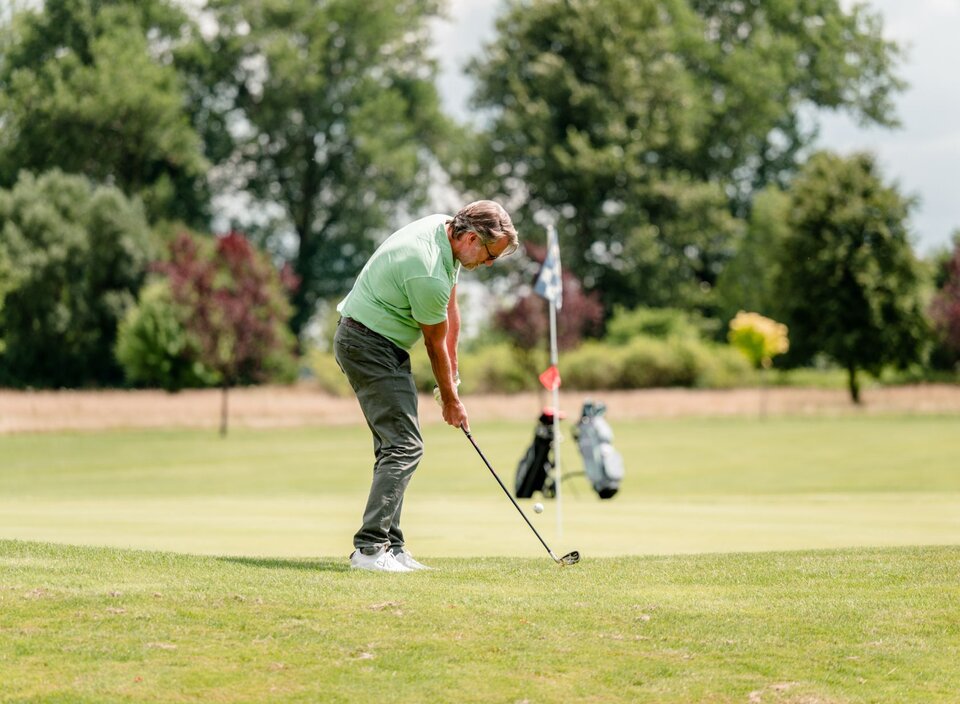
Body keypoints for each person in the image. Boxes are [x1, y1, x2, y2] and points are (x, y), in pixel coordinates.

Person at [334, 200, 519, 573]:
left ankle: (392, 547)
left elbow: (450, 315)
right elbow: (434, 343)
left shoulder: (443, 230)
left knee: (395, 446)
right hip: (367, 344)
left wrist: (452, 379)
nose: (488, 264)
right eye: (489, 256)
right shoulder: (430, 270)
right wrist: (450, 401)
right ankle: (370, 550)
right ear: (469, 238)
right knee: (404, 446)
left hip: (375, 341)